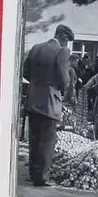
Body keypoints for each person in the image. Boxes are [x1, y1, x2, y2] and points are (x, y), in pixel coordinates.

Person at [23, 24, 73, 187]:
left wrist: (38, 84)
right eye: (67, 40)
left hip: (32, 99)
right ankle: (42, 177)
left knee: (35, 139)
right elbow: (63, 79)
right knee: (47, 139)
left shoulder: (36, 48)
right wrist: (61, 89)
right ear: (64, 37)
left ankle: (33, 174)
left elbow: (25, 72)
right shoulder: (62, 51)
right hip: (50, 101)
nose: (67, 44)